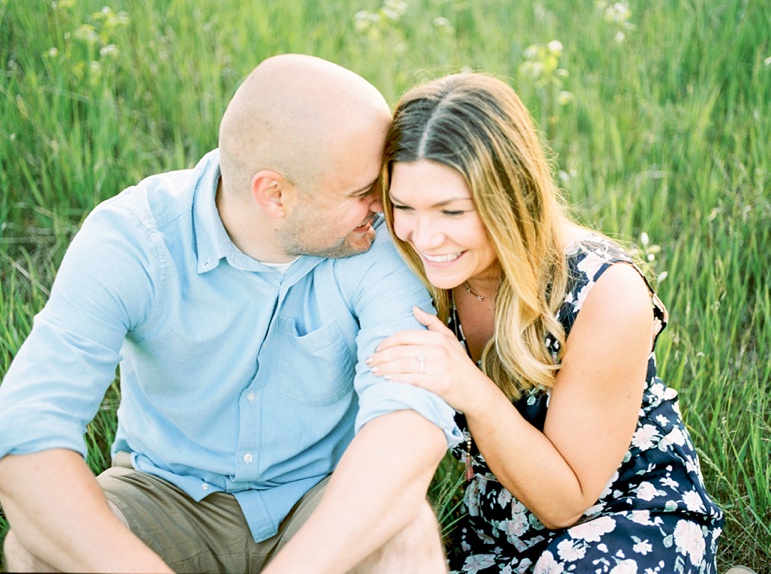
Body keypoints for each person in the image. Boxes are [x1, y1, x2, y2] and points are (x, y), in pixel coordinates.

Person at [0, 54, 462, 573]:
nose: (386, 207)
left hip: (318, 501)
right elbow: (27, 431)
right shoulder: (134, 240)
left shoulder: (374, 243)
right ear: (275, 194)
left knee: (405, 536)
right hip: (164, 495)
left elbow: (407, 425)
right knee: (32, 550)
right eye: (362, 192)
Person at [367, 72, 724, 573]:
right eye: (403, 206)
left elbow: (567, 501)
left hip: (625, 516)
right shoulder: (411, 263)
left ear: (510, 198)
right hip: (501, 523)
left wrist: (470, 387)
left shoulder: (605, 291)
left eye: (451, 211)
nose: (423, 237)